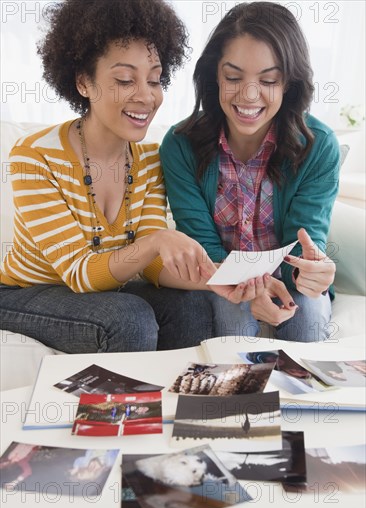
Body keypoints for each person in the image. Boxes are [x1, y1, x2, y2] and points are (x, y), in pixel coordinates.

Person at [0, 0, 254, 355]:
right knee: (127, 316)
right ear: (83, 82)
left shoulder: (149, 159)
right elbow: (81, 273)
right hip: (24, 293)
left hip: (102, 295)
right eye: (124, 79)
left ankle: (182, 406)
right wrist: (158, 240)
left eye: (154, 79)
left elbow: (152, 265)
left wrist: (217, 281)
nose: (146, 96)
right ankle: (126, 411)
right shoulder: (35, 155)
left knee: (189, 305)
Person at [160, 1, 340, 342]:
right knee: (235, 321)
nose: (249, 95)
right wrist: (248, 288)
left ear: (289, 83)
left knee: (307, 317)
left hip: (286, 278)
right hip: (222, 276)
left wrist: (312, 273)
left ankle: (304, 399)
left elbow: (305, 245)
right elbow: (202, 246)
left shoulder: (319, 146)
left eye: (268, 80)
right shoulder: (179, 145)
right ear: (215, 75)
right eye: (233, 77)